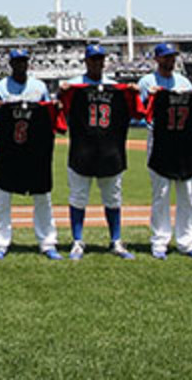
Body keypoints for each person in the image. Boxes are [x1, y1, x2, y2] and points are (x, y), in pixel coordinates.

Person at [58, 44, 140, 261]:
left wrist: (132, 93)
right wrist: (61, 93)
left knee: (113, 198)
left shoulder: (116, 88)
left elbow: (137, 113)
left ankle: (116, 240)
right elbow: (59, 109)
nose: (97, 63)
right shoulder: (74, 87)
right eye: (93, 59)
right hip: (81, 151)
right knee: (78, 197)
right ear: (86, 61)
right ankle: (77, 241)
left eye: (100, 59)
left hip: (110, 151)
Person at [0, 48, 63, 260]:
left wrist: (55, 106)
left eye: (24, 61)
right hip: (8, 149)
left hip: (36, 149)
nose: (20, 65)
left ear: (28, 63)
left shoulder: (39, 87)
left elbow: (50, 113)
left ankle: (47, 242)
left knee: (42, 197)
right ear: (10, 64)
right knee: (2, 198)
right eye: (16, 61)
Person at [136, 43, 192, 261]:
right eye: (166, 57)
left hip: (183, 142)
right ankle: (159, 241)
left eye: (172, 57)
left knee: (187, 193)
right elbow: (140, 112)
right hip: (159, 140)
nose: (170, 61)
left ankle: (187, 242)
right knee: (161, 193)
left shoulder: (184, 82)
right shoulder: (147, 82)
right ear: (157, 59)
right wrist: (148, 97)